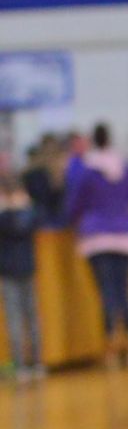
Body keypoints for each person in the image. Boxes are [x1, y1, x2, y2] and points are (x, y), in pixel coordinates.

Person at [65, 124, 128, 368]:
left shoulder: (86, 171)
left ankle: (110, 347)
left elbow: (74, 203)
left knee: (107, 291)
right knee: (124, 290)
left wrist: (70, 220)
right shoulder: (126, 167)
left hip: (96, 236)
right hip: (124, 234)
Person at [0, 158, 43, 380]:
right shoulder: (27, 211)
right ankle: (34, 363)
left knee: (18, 317)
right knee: (28, 316)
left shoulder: (10, 214)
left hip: (10, 269)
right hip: (22, 267)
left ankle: (26, 364)